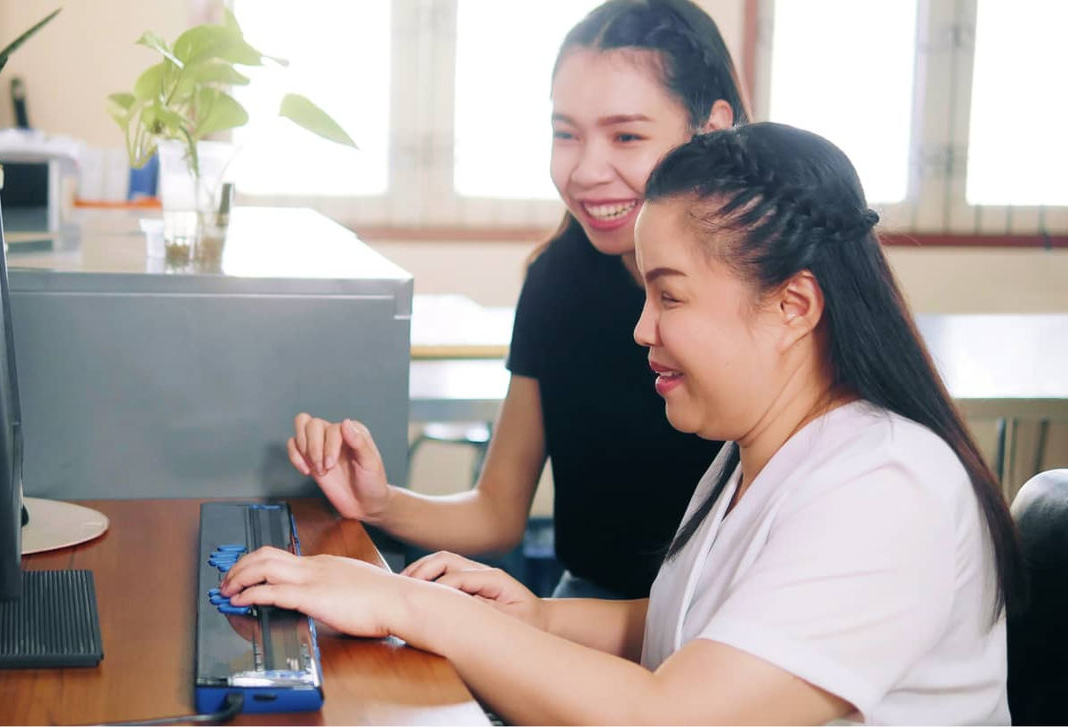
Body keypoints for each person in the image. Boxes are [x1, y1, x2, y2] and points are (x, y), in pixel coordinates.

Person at [221, 122, 1023, 724]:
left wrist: (414, 606)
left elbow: (670, 715)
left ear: (792, 305)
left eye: (669, 296)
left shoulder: (886, 486)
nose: (643, 328)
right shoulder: (758, 449)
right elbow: (706, 625)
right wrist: (537, 615)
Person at [288, 0, 750, 600]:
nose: (586, 170)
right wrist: (377, 501)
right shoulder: (559, 279)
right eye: (566, 134)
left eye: (626, 136)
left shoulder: (766, 292)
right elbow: (497, 511)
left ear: (710, 130)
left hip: (730, 618)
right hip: (589, 600)